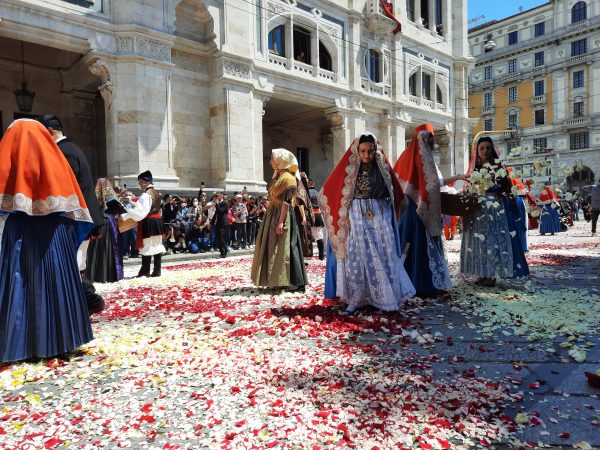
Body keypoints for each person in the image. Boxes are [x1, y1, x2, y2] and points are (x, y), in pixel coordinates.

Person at [0, 119, 94, 362]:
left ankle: (18, 346)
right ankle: (64, 340)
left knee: (20, 282)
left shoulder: (9, 153)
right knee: (57, 280)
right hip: (56, 230)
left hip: (21, 227)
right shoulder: (57, 159)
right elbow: (75, 208)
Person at [320, 133, 415, 313]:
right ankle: (357, 297)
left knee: (383, 252)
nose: (366, 155)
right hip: (357, 212)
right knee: (359, 254)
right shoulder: (351, 169)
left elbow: (394, 189)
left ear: (375, 150)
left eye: (370, 151)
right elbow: (334, 188)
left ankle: (385, 295)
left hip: (380, 212)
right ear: (357, 151)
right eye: (363, 151)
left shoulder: (382, 167)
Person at [39, 114, 105, 315]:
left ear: (50, 132)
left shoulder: (64, 151)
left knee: (72, 263)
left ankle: (90, 301)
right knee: (75, 263)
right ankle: (81, 305)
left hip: (77, 219)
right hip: (80, 218)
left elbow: (64, 186)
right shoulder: (70, 148)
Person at [394, 123, 462, 297]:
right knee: (421, 246)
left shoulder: (406, 157)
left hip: (411, 209)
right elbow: (432, 184)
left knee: (410, 244)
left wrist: (456, 177)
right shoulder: (423, 158)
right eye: (431, 141)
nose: (433, 145)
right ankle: (424, 284)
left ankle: (409, 282)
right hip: (420, 209)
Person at [460, 136, 528, 287]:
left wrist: (495, 189)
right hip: (477, 209)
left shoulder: (498, 167)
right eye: (482, 148)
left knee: (492, 241)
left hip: (494, 208)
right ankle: (482, 273)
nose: (485, 151)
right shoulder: (474, 168)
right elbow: (470, 186)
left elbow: (506, 187)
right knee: (479, 241)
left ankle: (492, 275)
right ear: (477, 151)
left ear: (492, 150)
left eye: (488, 148)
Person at [251, 149, 308, 291]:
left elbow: (286, 202)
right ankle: (275, 279)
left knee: (285, 247)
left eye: (273, 159)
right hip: (273, 214)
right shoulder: (279, 176)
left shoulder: (288, 178)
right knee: (272, 247)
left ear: (280, 161)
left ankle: (291, 281)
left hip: (283, 215)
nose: (270, 161)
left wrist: (281, 221)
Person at [120, 171, 165, 277]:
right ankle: (157, 270)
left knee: (147, 245)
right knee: (156, 244)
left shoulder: (145, 195)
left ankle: (145, 271)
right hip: (157, 221)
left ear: (145, 182)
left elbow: (140, 213)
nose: (139, 184)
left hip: (149, 222)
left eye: (140, 182)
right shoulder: (157, 192)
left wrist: (126, 210)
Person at [85, 178, 125, 283]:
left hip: (96, 223)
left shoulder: (92, 197)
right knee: (109, 248)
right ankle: (109, 275)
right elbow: (119, 209)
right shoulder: (112, 197)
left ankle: (94, 275)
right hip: (109, 223)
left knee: (95, 249)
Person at [307, 177, 326, 260]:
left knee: (307, 235)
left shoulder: (306, 193)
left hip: (309, 215)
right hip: (318, 214)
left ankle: (309, 254)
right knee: (319, 235)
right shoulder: (317, 193)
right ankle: (321, 255)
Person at [211, 192, 230, 258]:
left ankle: (226, 249)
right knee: (218, 237)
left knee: (220, 237)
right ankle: (222, 252)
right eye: (216, 196)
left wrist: (216, 203)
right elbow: (216, 213)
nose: (217, 197)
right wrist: (211, 222)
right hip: (218, 223)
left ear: (221, 196)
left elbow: (220, 211)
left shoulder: (225, 203)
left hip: (223, 223)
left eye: (218, 196)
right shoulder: (218, 204)